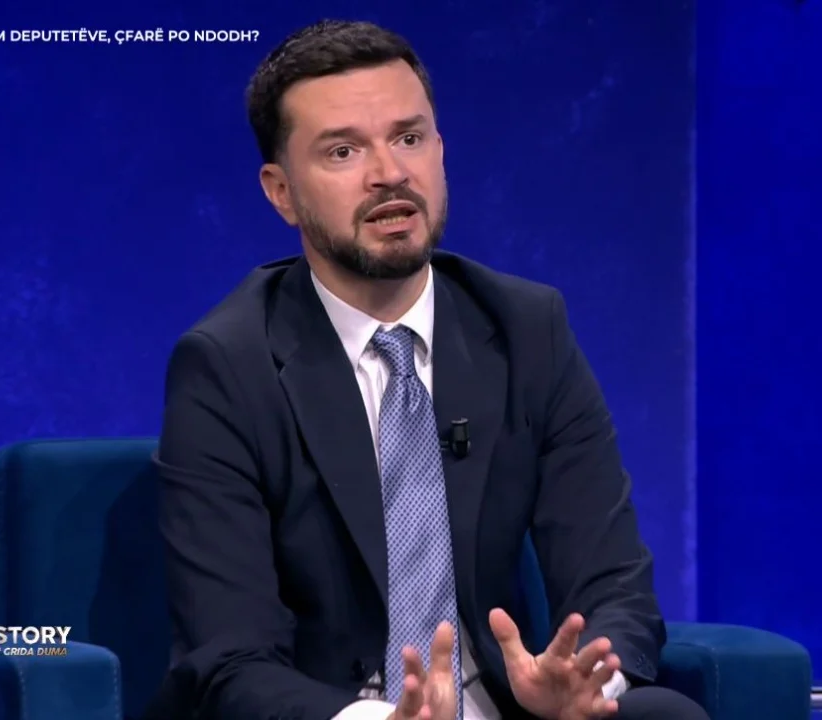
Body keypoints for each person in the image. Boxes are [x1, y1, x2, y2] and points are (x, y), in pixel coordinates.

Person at [148, 18, 708, 720]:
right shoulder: (227, 367)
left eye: (409, 138)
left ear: (440, 152)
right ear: (281, 190)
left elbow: (614, 582)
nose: (390, 173)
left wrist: (588, 674)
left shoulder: (526, 328)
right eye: (344, 150)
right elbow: (227, 660)